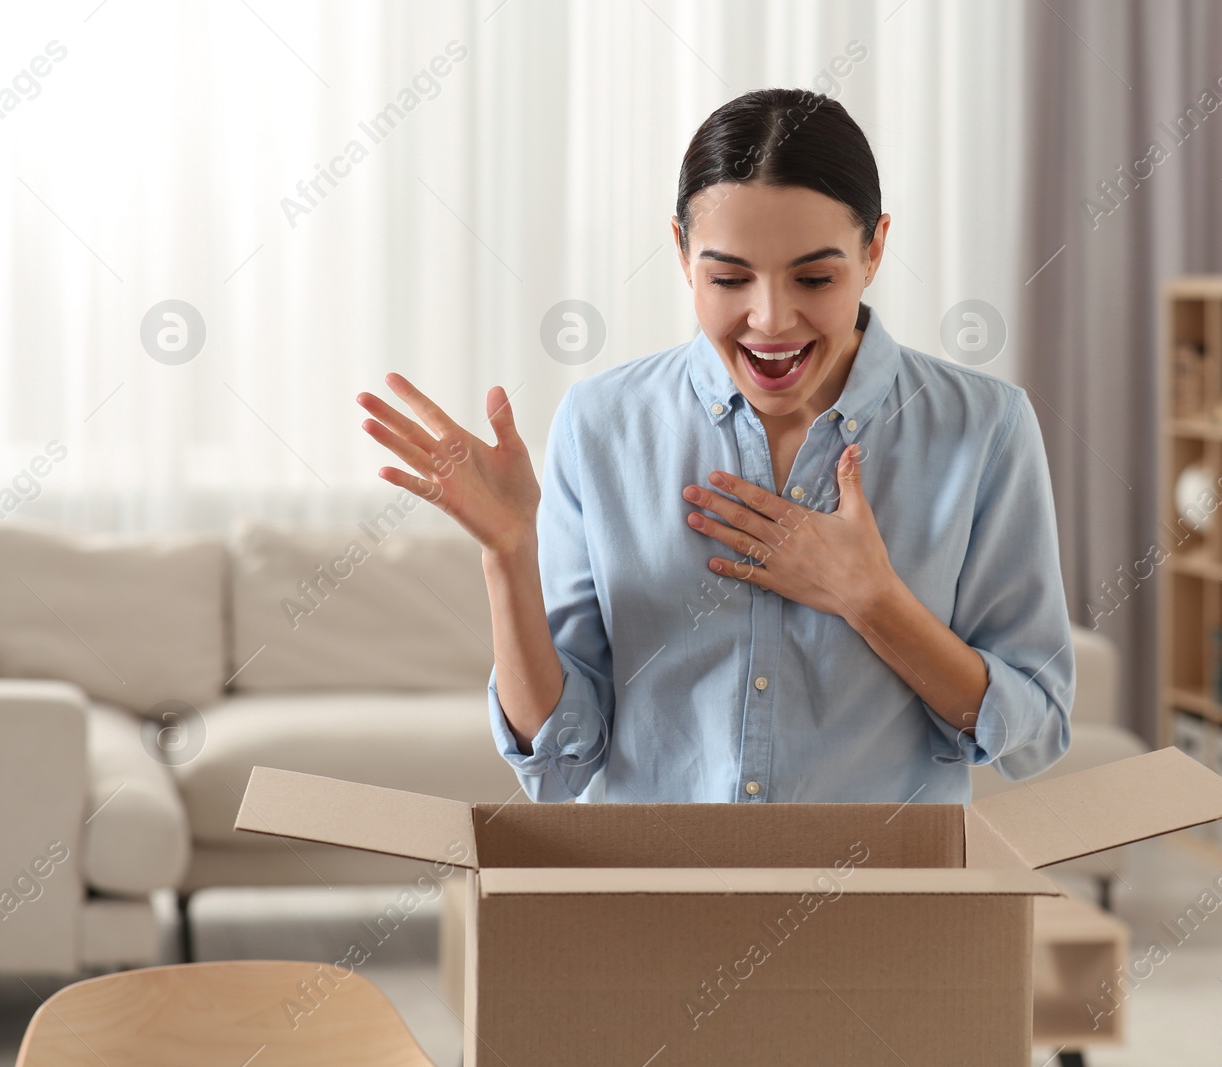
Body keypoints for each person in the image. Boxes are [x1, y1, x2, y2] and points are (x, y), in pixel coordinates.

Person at [356, 87, 1073, 804]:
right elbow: (560, 765)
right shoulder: (601, 423)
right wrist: (508, 555)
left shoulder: (984, 428)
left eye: (815, 277)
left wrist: (874, 602)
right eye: (728, 277)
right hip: (653, 899)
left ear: (875, 248)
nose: (770, 318)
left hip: (877, 903)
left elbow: (1035, 730)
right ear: (681, 252)